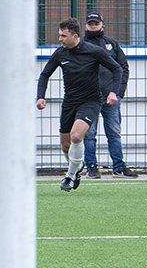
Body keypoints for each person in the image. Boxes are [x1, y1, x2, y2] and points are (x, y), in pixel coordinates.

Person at [36, 17, 123, 192]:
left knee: (77, 136)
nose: (60, 39)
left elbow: (117, 68)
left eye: (63, 35)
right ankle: (76, 167)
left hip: (91, 101)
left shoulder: (94, 51)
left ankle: (70, 175)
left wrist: (114, 92)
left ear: (75, 36)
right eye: (59, 35)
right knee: (66, 145)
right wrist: (40, 97)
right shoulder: (60, 54)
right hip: (69, 103)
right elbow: (45, 75)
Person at [82, 13, 137, 179]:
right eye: (90, 24)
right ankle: (91, 167)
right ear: (85, 26)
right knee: (89, 134)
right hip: (88, 98)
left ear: (102, 25)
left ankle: (118, 167)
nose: (93, 26)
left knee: (114, 132)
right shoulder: (80, 45)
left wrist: (118, 92)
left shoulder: (112, 44)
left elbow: (123, 68)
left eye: (96, 23)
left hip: (111, 98)